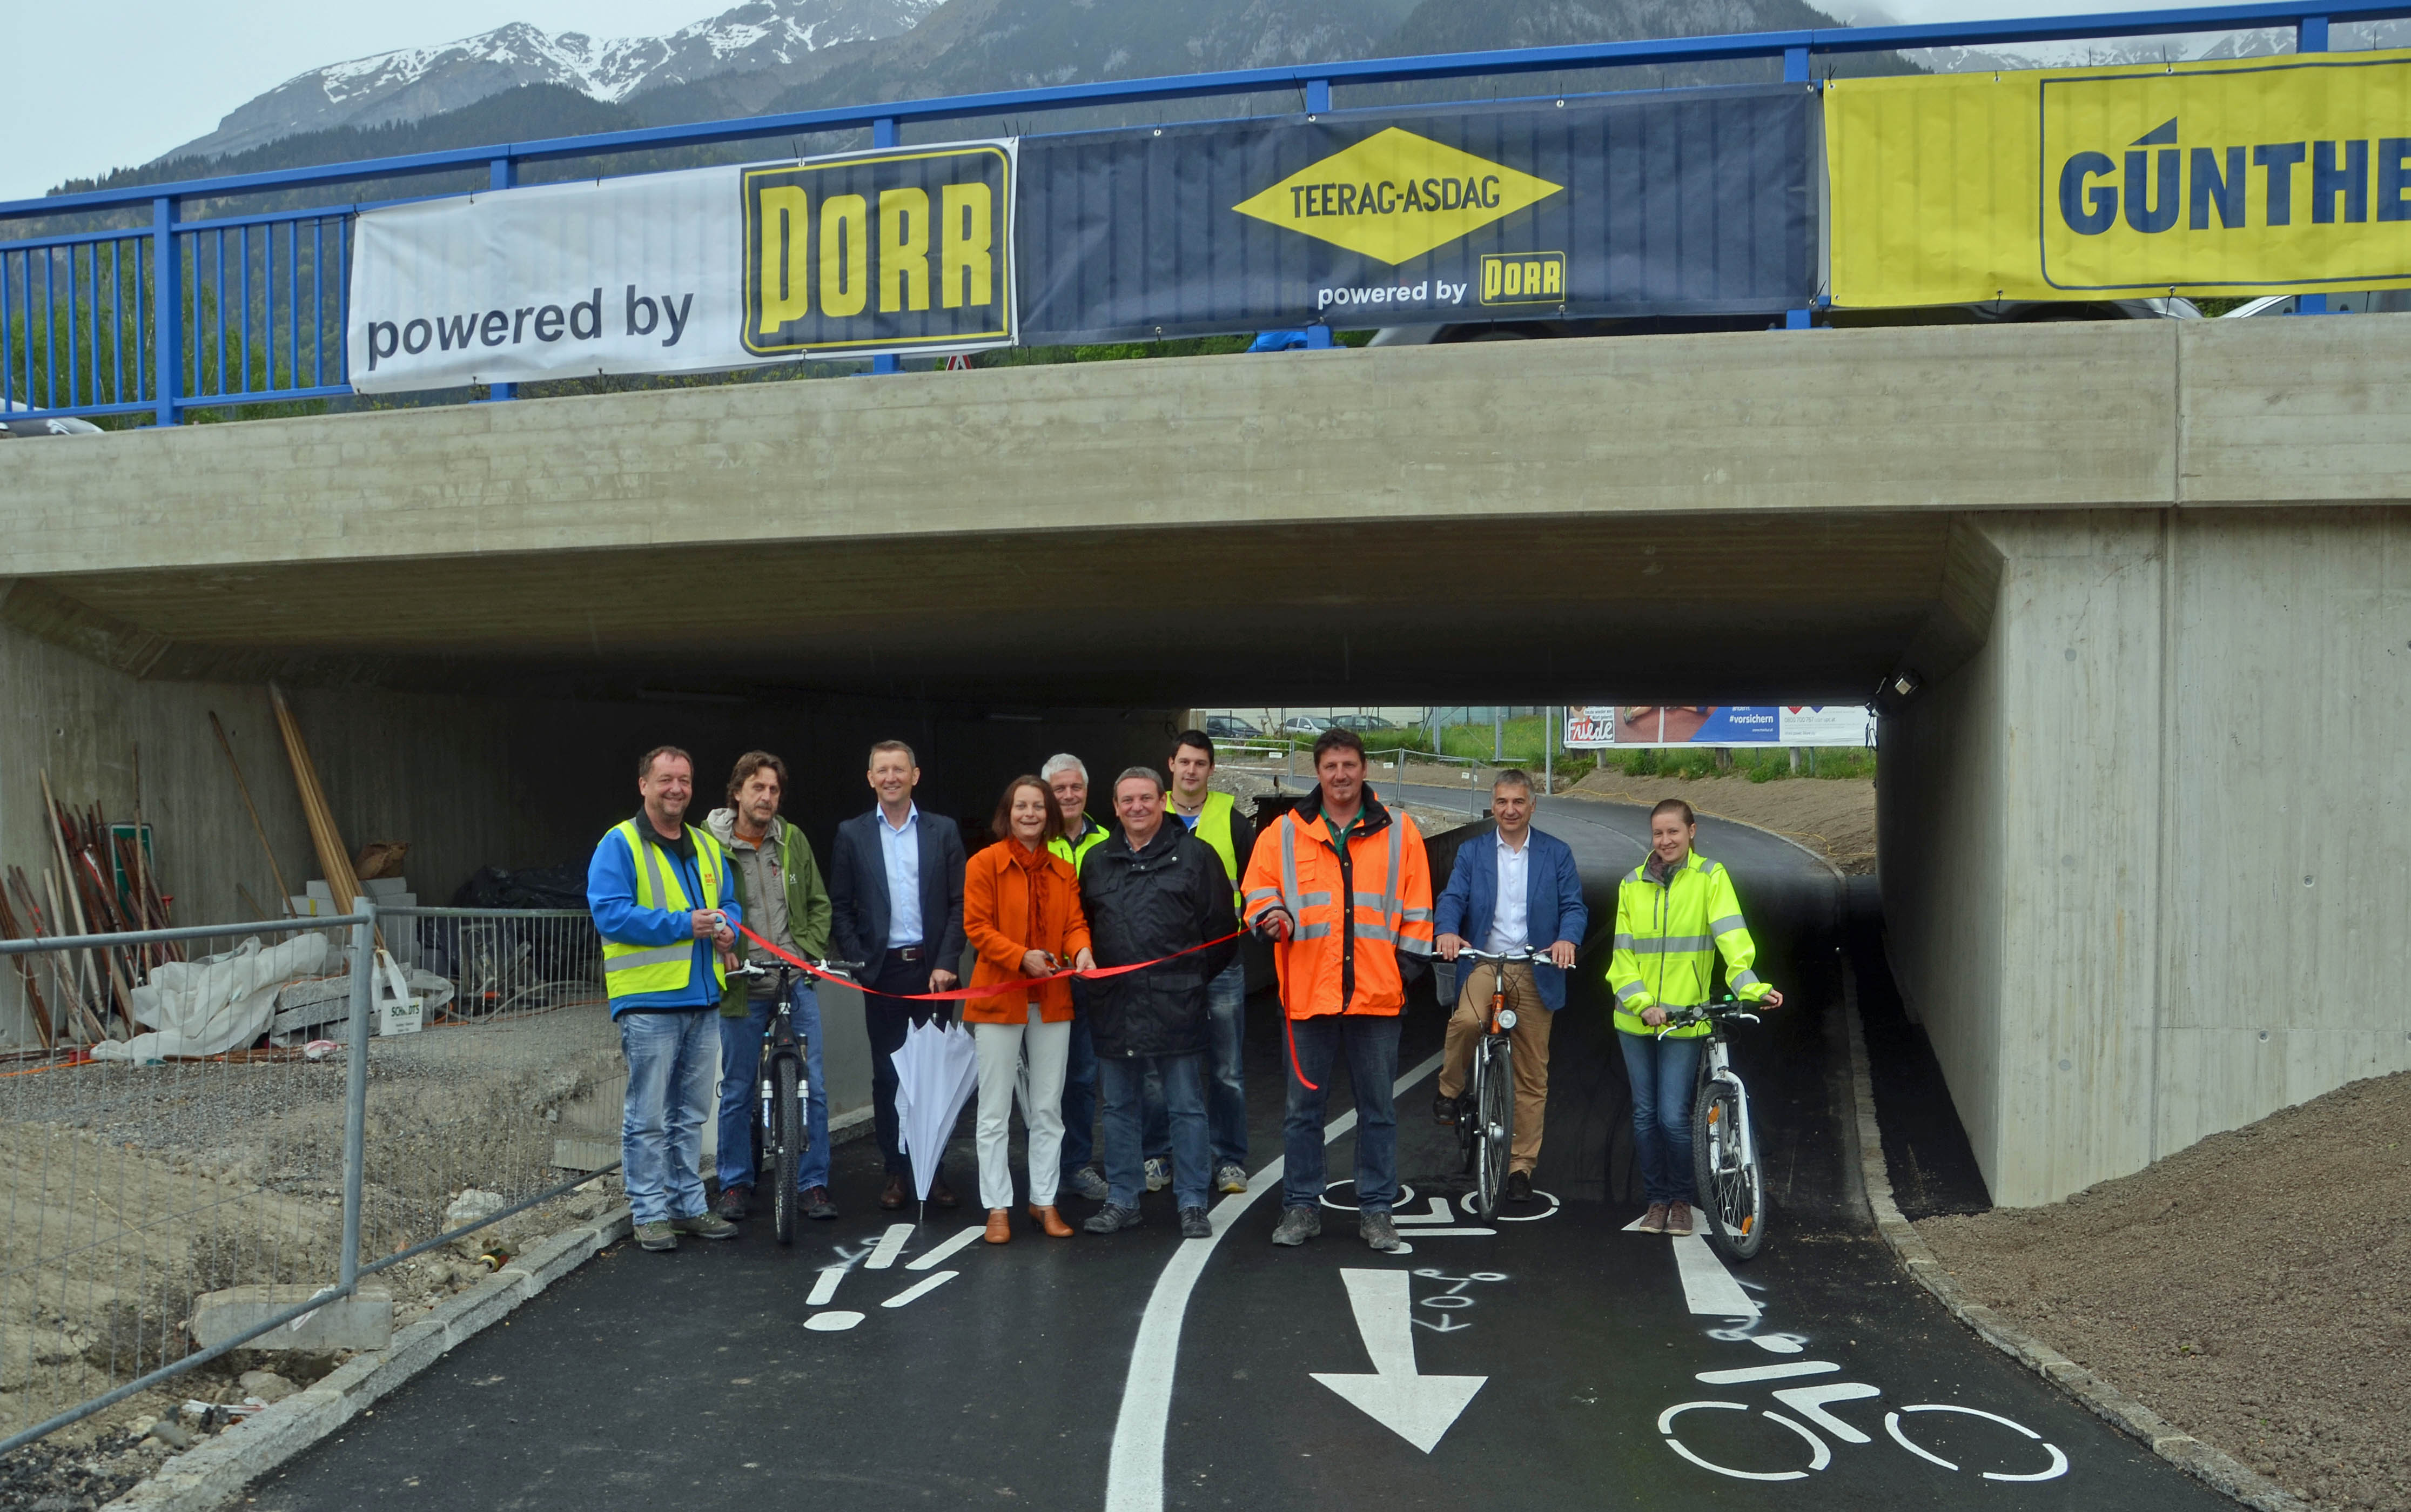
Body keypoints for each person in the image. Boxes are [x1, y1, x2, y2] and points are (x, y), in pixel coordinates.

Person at [1241, 729, 1434, 1252]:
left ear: (1364, 769)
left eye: (1349, 764)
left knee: (1378, 1111)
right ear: (1317, 772)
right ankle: (1301, 1207)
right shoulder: (1283, 833)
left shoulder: (1401, 832)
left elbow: (1418, 909)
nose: (1341, 775)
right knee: (1302, 1111)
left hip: (1376, 998)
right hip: (1308, 997)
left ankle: (1376, 1212)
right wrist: (1269, 913)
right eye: (1330, 767)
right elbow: (1256, 889)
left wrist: (1403, 971)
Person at [586, 745, 743, 1253]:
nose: (676, 788)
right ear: (643, 785)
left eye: (685, 780)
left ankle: (689, 1205)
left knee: (690, 1114)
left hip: (703, 997)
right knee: (648, 1116)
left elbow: (731, 902)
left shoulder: (704, 844)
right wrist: (685, 924)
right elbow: (610, 914)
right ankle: (650, 1213)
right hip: (649, 1001)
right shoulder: (620, 843)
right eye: (666, 779)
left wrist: (729, 930)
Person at [1606, 798, 1783, 1237]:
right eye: (1657, 834)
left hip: (1686, 1021)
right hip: (1635, 1020)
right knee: (1645, 1115)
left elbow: (1731, 937)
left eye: (1673, 832)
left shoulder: (1710, 877)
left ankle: (1682, 1200)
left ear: (1692, 832)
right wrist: (1642, 1003)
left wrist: (1750, 986)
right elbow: (1621, 956)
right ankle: (1656, 1200)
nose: (1665, 841)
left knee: (1671, 1115)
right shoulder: (1631, 884)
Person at [1077, 767, 1238, 1239]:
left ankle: (1191, 1202)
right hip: (1116, 1005)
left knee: (1186, 1106)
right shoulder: (1097, 860)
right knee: (1119, 1106)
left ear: (1162, 800)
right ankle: (1122, 1198)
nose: (1136, 808)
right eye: (1127, 800)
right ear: (1115, 804)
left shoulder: (1196, 856)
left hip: (1178, 1003)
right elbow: (1083, 925)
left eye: (1145, 798)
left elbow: (1222, 934)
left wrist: (1186, 981)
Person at [1432, 769, 1587, 1203]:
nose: (1510, 809)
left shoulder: (1556, 853)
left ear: (1532, 805)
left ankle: (1520, 1167)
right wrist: (1446, 930)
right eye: (1502, 802)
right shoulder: (1472, 852)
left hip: (1535, 965)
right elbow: (1452, 898)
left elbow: (1574, 906)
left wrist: (1566, 939)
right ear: (1493, 805)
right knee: (1465, 1021)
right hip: (1485, 959)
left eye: (1518, 801)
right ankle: (1450, 1090)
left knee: (1531, 1075)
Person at [829, 740, 969, 1210]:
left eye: (899, 769)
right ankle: (895, 1170)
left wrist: (948, 961)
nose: (891, 777)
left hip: (935, 972)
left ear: (915, 775)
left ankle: (934, 1170)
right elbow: (841, 907)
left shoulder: (943, 831)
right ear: (870, 777)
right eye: (882, 770)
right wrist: (859, 960)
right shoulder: (851, 834)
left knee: (935, 1076)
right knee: (889, 1076)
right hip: (882, 972)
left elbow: (958, 904)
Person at [963, 775, 1096, 1243]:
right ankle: (997, 1207)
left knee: (1047, 1108)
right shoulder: (984, 863)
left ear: (1049, 814)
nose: (1030, 814)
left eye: (1038, 807)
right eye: (1021, 806)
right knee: (994, 1111)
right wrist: (1021, 957)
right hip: (999, 997)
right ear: (1008, 811)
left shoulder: (1063, 871)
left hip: (1052, 999)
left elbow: (1076, 925)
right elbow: (976, 928)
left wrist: (1081, 951)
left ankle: (1044, 1200)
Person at [706, 751, 836, 1224]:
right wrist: (723, 948)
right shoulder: (709, 845)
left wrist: (807, 949)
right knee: (739, 1088)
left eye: (774, 789)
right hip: (741, 984)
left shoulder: (793, 839)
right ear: (737, 792)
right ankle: (737, 1182)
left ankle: (812, 1183)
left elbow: (819, 903)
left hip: (792, 979)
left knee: (813, 1086)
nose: (766, 797)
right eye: (757, 787)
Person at [1137, 730, 1258, 1197]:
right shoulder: (1145, 810)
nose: (1191, 771)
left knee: (1226, 1068)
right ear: (1170, 764)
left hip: (1220, 962)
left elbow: (1255, 883)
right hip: (1161, 965)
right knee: (1155, 1067)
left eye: (1200, 763)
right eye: (1183, 762)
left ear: (1211, 769)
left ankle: (1229, 1160)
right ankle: (1158, 1155)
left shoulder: (1230, 818)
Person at [1043, 754, 1115, 1204]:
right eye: (1059, 789)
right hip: (1044, 980)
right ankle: (1043, 1166)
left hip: (1094, 978)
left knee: (1085, 1077)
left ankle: (1076, 1164)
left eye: (1076, 788)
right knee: (1045, 1082)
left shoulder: (1110, 841)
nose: (1068, 796)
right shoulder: (1031, 839)